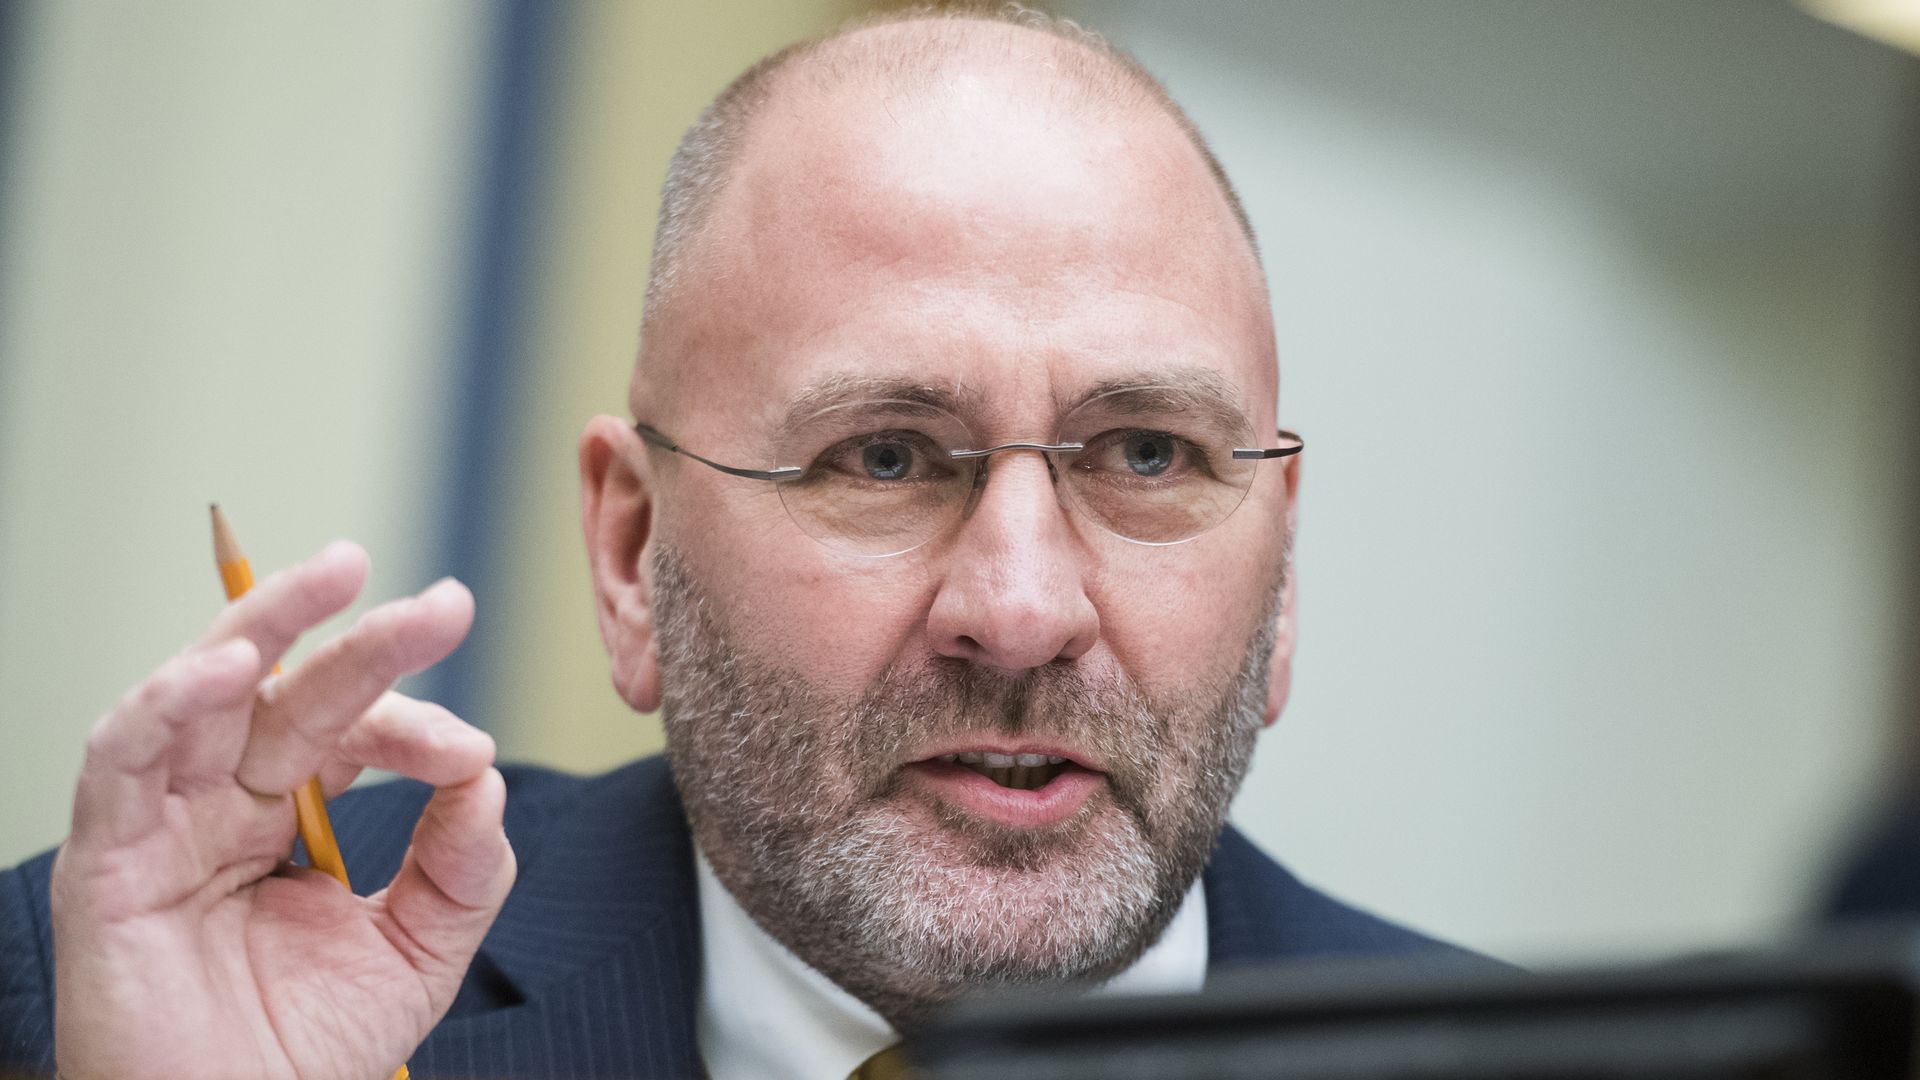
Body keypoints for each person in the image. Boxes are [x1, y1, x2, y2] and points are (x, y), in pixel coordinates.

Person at [0, 8, 1482, 1079]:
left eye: (1147, 454)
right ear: (633, 554)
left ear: (1279, 577)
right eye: (885, 457)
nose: (1020, 609)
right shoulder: (102, 994)